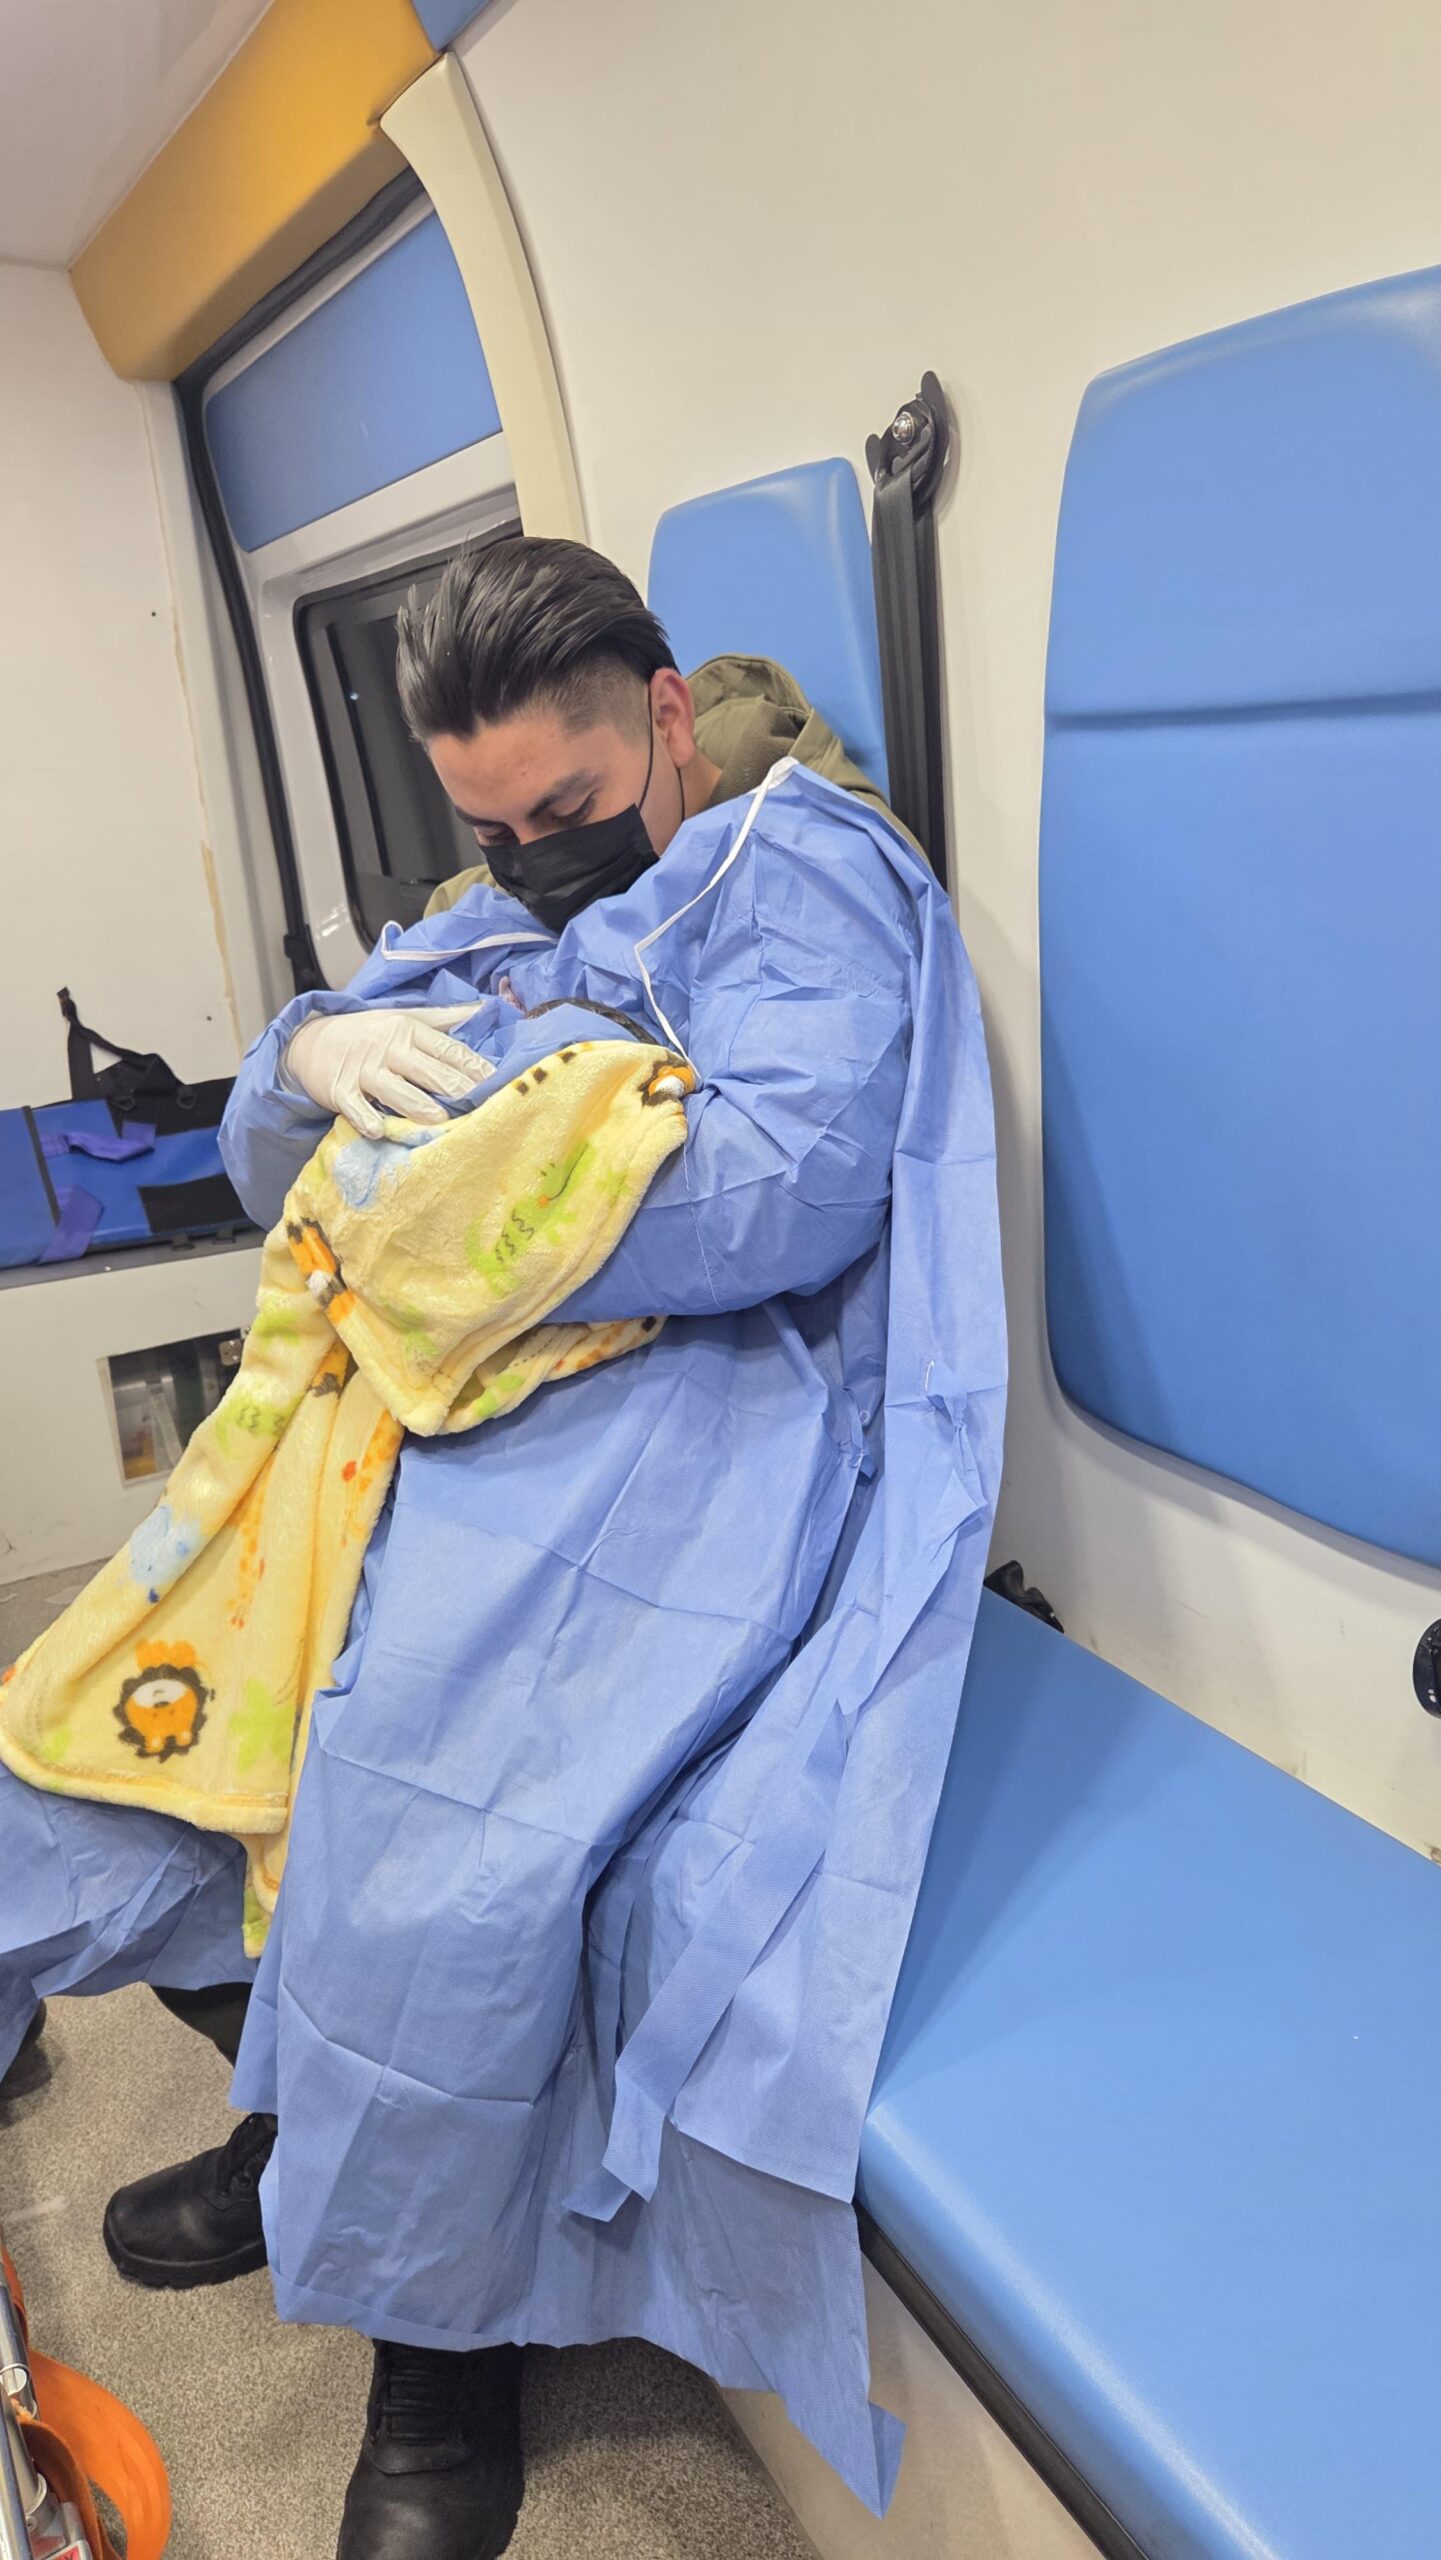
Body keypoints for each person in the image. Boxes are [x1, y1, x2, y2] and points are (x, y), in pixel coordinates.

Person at [0, 537, 1004, 2560]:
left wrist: (421, 1184)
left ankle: (437, 2349)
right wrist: (306, 1057)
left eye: (567, 809)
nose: (535, 861)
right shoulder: (506, 889)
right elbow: (280, 1135)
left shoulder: (803, 874)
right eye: (490, 829)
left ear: (663, 718)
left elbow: (780, 1191)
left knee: (428, 1836)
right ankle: (304, 2127)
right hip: (402, 1420)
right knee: (86, 1758)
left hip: (679, 1435)